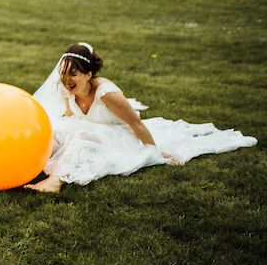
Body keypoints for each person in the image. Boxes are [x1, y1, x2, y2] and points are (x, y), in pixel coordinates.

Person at [25, 42, 257, 193]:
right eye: (63, 73)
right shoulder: (68, 89)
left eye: (73, 73)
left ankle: (57, 180)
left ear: (88, 74)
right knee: (59, 132)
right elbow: (69, 115)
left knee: (82, 140)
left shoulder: (106, 93)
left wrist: (154, 151)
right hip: (87, 127)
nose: (66, 79)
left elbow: (135, 123)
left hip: (119, 134)